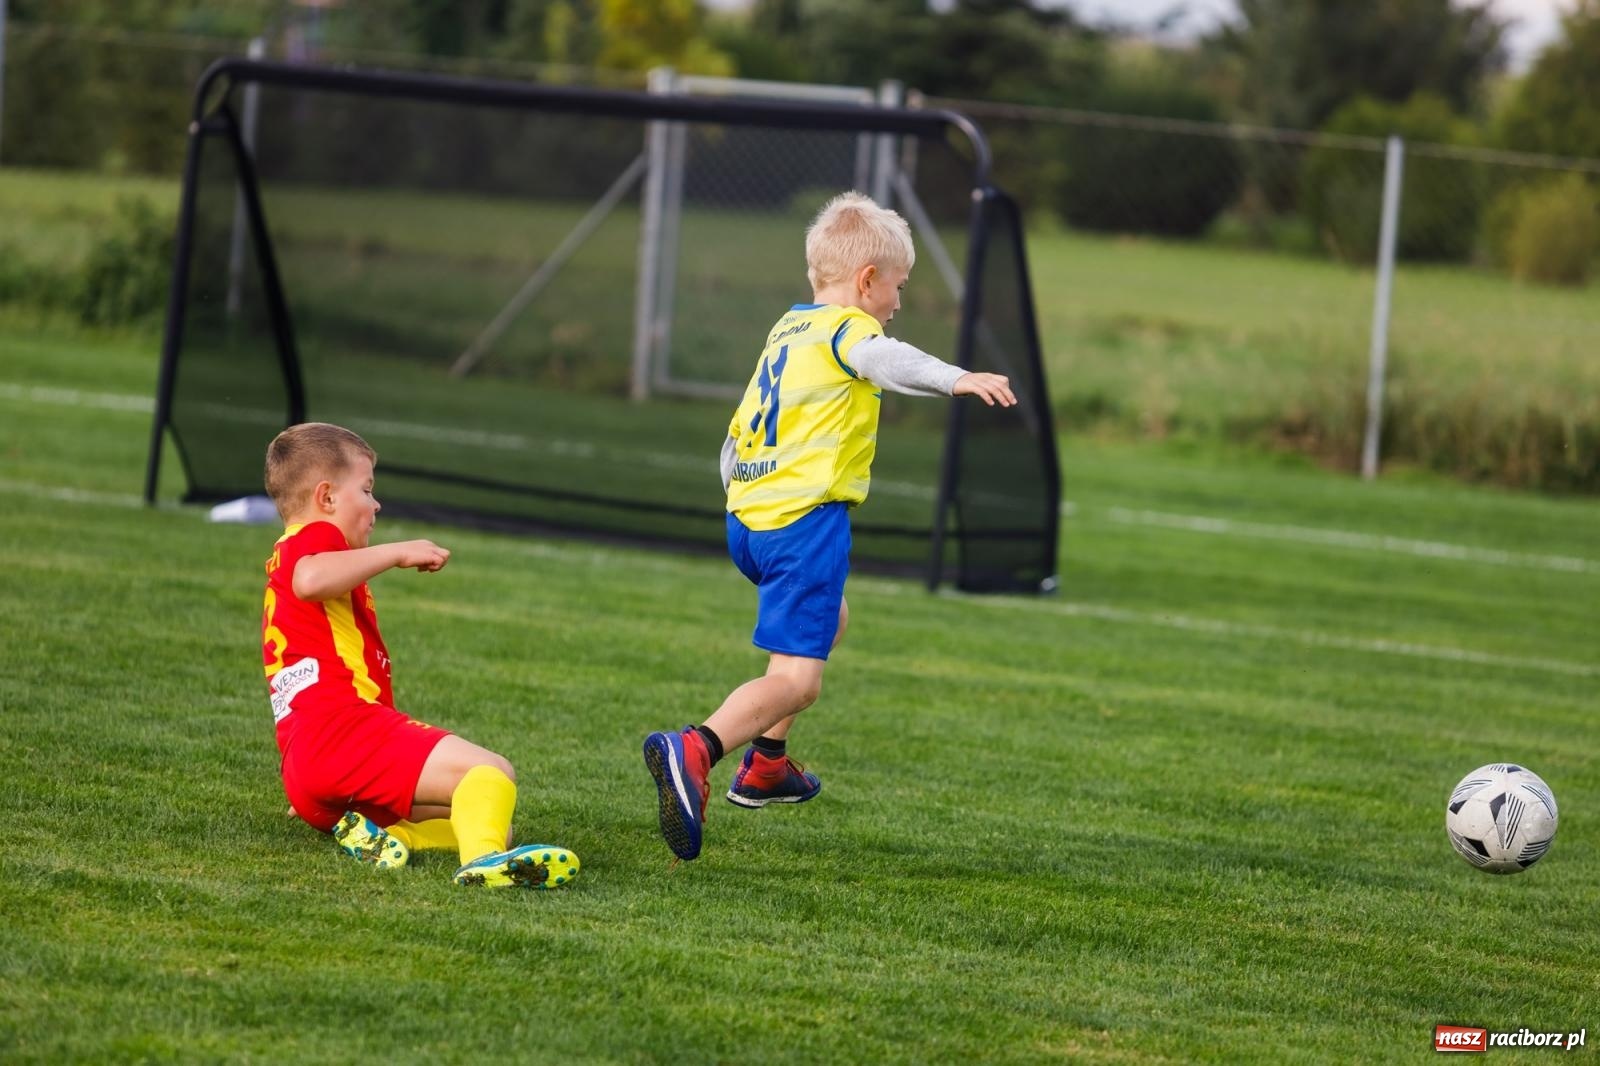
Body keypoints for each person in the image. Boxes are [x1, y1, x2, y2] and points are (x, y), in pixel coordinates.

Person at [643, 191, 1017, 861]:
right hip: (803, 524)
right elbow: (888, 360)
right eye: (898, 287)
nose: (898, 303)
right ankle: (694, 749)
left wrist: (747, 493)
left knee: (829, 620)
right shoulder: (852, 331)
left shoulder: (790, 328)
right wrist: (957, 378)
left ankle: (768, 765)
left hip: (748, 520)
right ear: (868, 280)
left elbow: (736, 437)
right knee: (799, 680)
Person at [261, 422, 578, 889]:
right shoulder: (312, 543)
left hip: (307, 766)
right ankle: (484, 862)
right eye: (366, 490)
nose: (376, 504)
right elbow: (311, 580)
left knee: (493, 816)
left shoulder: (287, 556)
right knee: (491, 773)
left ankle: (383, 835)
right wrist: (398, 551)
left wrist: (309, 778)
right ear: (326, 498)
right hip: (343, 732)